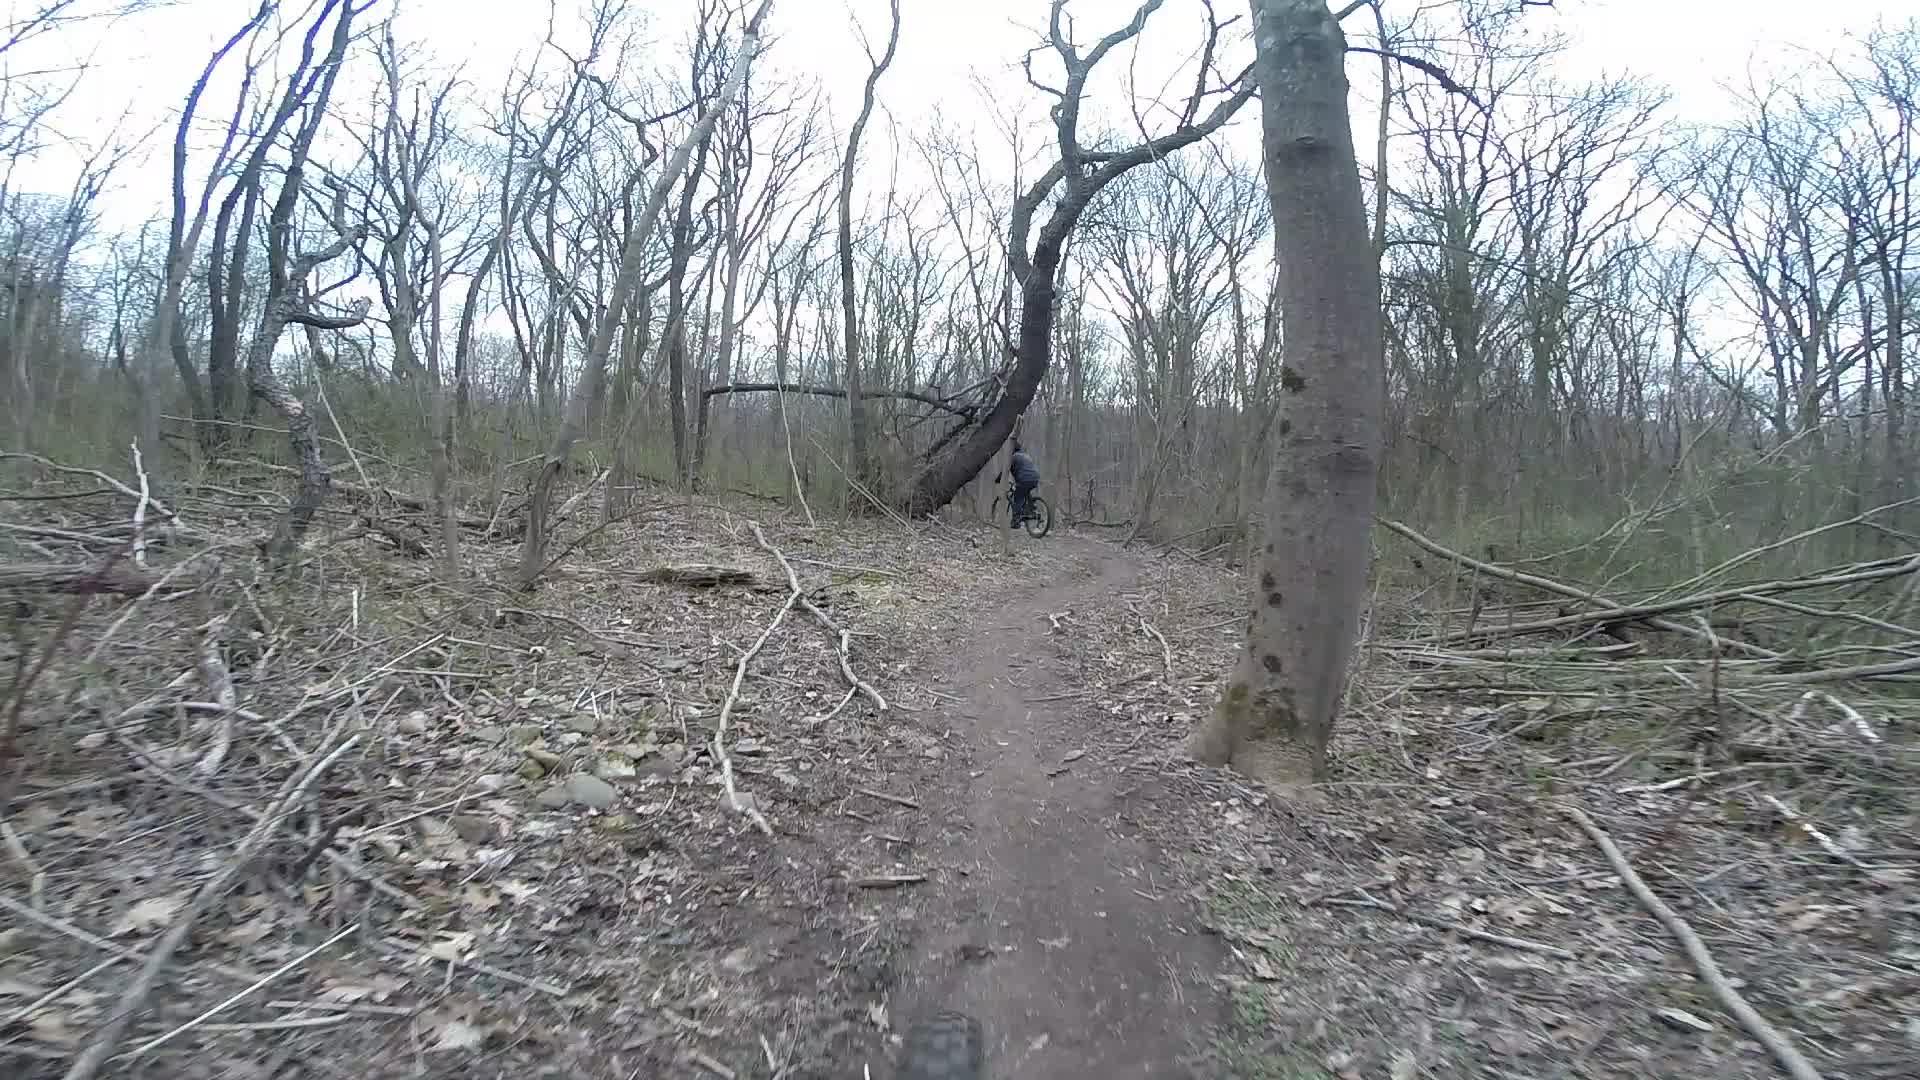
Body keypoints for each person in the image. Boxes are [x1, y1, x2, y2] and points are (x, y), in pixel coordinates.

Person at [1007, 439, 1039, 525]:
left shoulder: (1013, 457)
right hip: (1035, 478)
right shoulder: (1026, 455)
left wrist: (998, 479)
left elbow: (1005, 470)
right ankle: (1032, 509)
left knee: (1018, 497)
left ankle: (1016, 521)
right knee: (1025, 491)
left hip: (1024, 479)